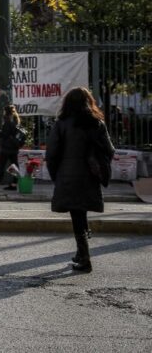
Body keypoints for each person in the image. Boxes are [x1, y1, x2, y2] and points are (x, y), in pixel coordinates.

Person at [46, 87, 115, 273]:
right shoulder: (97, 123)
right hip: (90, 175)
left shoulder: (62, 123)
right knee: (80, 212)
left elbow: (51, 153)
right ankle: (80, 253)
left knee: (76, 215)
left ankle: (85, 259)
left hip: (68, 175)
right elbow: (110, 150)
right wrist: (99, 165)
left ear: (67, 103)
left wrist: (56, 174)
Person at [0, 105, 24, 192]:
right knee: (15, 166)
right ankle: (14, 184)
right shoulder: (16, 121)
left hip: (6, 148)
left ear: (6, 112)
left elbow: (5, 135)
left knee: (2, 167)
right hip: (14, 148)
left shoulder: (8, 122)